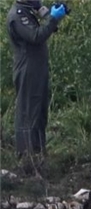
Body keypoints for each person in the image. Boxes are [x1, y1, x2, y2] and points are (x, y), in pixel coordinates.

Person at [6, 0, 67, 172]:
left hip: (38, 68)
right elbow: (36, 36)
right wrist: (53, 19)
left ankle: (39, 154)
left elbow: (49, 27)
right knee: (28, 111)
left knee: (40, 111)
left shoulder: (30, 10)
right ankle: (27, 158)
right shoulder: (17, 15)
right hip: (27, 68)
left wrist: (54, 14)